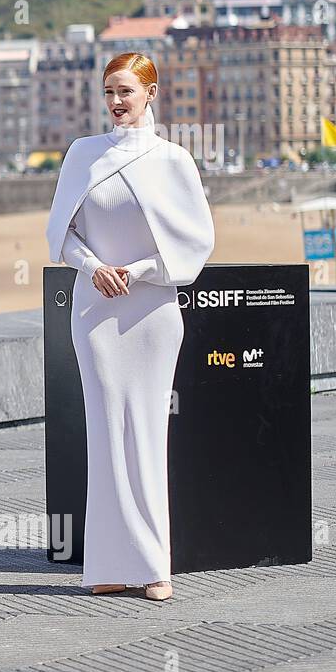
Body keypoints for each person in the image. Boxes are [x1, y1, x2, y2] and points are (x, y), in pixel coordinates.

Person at [45, 51, 215, 602]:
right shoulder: (82, 155)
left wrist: (137, 271)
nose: (116, 102)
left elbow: (194, 243)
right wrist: (95, 269)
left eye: (126, 91)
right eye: (109, 92)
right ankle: (109, 565)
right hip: (95, 309)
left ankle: (154, 566)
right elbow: (61, 235)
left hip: (152, 312)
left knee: (147, 432)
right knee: (105, 432)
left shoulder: (173, 161)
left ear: (151, 92)